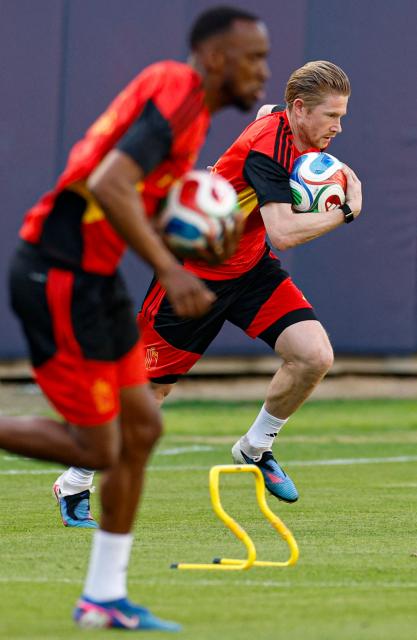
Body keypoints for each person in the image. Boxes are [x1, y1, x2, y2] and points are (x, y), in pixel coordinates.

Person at [2, 6, 270, 631]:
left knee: (142, 427)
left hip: (93, 280)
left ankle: (102, 597)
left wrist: (187, 234)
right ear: (214, 59)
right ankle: (101, 594)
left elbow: (130, 196)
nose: (262, 71)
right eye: (252, 57)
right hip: (58, 273)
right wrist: (172, 269)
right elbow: (110, 182)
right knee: (99, 444)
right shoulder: (178, 91)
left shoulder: (188, 107)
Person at [52, 60, 362, 523]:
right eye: (331, 116)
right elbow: (283, 232)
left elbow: (264, 109)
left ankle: (255, 448)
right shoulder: (269, 150)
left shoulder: (286, 123)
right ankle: (74, 481)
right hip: (194, 275)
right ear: (299, 110)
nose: (338, 127)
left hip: (251, 269)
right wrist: (346, 211)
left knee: (314, 356)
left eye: (342, 116)